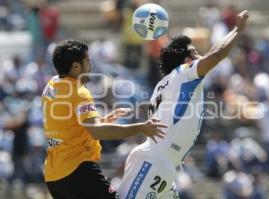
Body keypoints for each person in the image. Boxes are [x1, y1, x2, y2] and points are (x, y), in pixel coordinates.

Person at [118, 10, 249, 198]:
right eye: (196, 53)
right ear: (188, 61)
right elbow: (216, 55)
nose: (201, 55)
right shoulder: (184, 72)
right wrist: (237, 29)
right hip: (154, 160)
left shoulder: (167, 83)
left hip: (164, 164)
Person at [42, 40, 166, 199]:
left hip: (54, 177)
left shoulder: (52, 85)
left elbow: (69, 124)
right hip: (77, 171)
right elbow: (97, 132)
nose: (91, 66)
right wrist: (141, 127)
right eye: (88, 61)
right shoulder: (79, 92)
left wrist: (104, 119)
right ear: (76, 66)